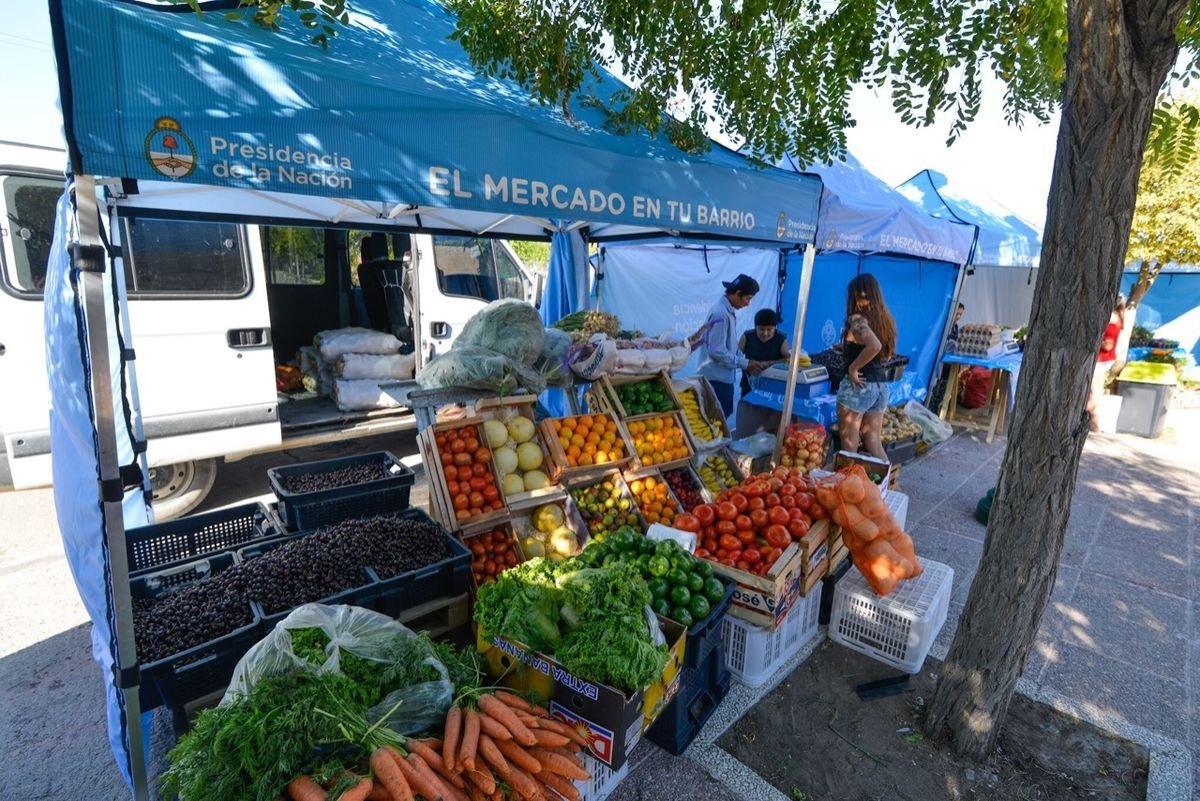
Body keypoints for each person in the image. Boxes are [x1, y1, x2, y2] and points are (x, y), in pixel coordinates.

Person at [836, 274, 897, 461]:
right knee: (873, 442)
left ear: (856, 295)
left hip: (859, 387)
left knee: (849, 446)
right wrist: (847, 348)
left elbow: (874, 346)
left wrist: (853, 368)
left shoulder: (856, 319)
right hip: (879, 386)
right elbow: (884, 352)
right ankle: (885, 484)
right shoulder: (884, 319)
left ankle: (850, 487)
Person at [699, 274, 761, 418]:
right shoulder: (720, 313)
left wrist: (746, 360)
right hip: (716, 379)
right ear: (738, 293)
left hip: (722, 377)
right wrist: (744, 364)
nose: (748, 304)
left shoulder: (727, 311)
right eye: (748, 298)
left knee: (721, 418)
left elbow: (730, 345)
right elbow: (716, 351)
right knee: (717, 421)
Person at [733, 309, 791, 436]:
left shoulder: (781, 338)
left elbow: (787, 359)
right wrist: (747, 364)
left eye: (769, 329)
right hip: (748, 386)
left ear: (775, 328)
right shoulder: (747, 336)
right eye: (761, 329)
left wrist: (768, 364)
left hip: (772, 388)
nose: (765, 333)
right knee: (748, 418)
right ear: (755, 327)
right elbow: (736, 356)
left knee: (771, 419)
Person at [1088, 297, 1126, 431]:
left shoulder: (1111, 319)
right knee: (1094, 390)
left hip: (1101, 359)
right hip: (1105, 359)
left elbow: (1108, 345)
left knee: (1094, 391)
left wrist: (1094, 340)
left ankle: (1093, 422)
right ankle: (1093, 421)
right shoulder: (1117, 317)